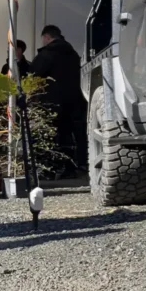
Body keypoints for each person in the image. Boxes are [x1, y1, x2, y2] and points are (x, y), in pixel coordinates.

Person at [29, 25, 87, 178]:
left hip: (52, 102)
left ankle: (49, 170)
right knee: (70, 135)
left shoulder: (47, 54)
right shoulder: (74, 54)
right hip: (75, 100)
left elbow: (32, 75)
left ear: (47, 37)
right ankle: (72, 168)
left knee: (51, 136)